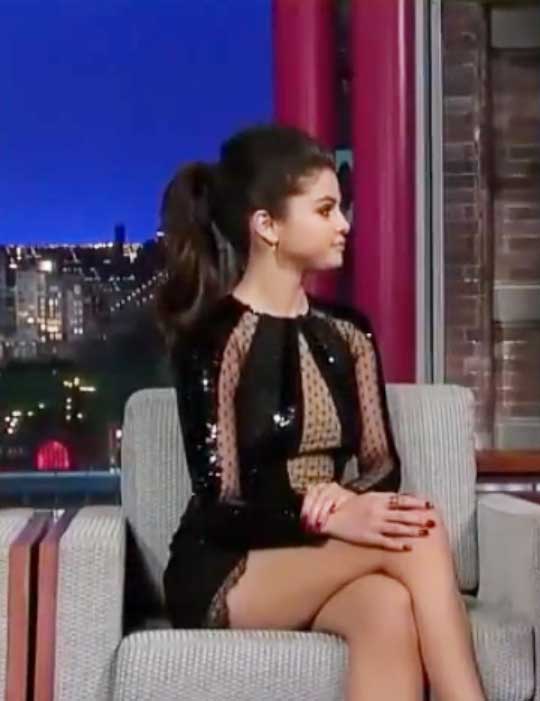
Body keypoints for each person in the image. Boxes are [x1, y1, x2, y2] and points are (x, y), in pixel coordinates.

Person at [155, 124, 485, 701]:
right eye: (326, 209)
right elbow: (221, 506)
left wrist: (348, 501)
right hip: (227, 567)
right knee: (421, 531)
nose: (344, 224)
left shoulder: (349, 333)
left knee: (388, 607)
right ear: (268, 226)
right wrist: (325, 518)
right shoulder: (213, 341)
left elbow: (382, 467)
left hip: (312, 556)